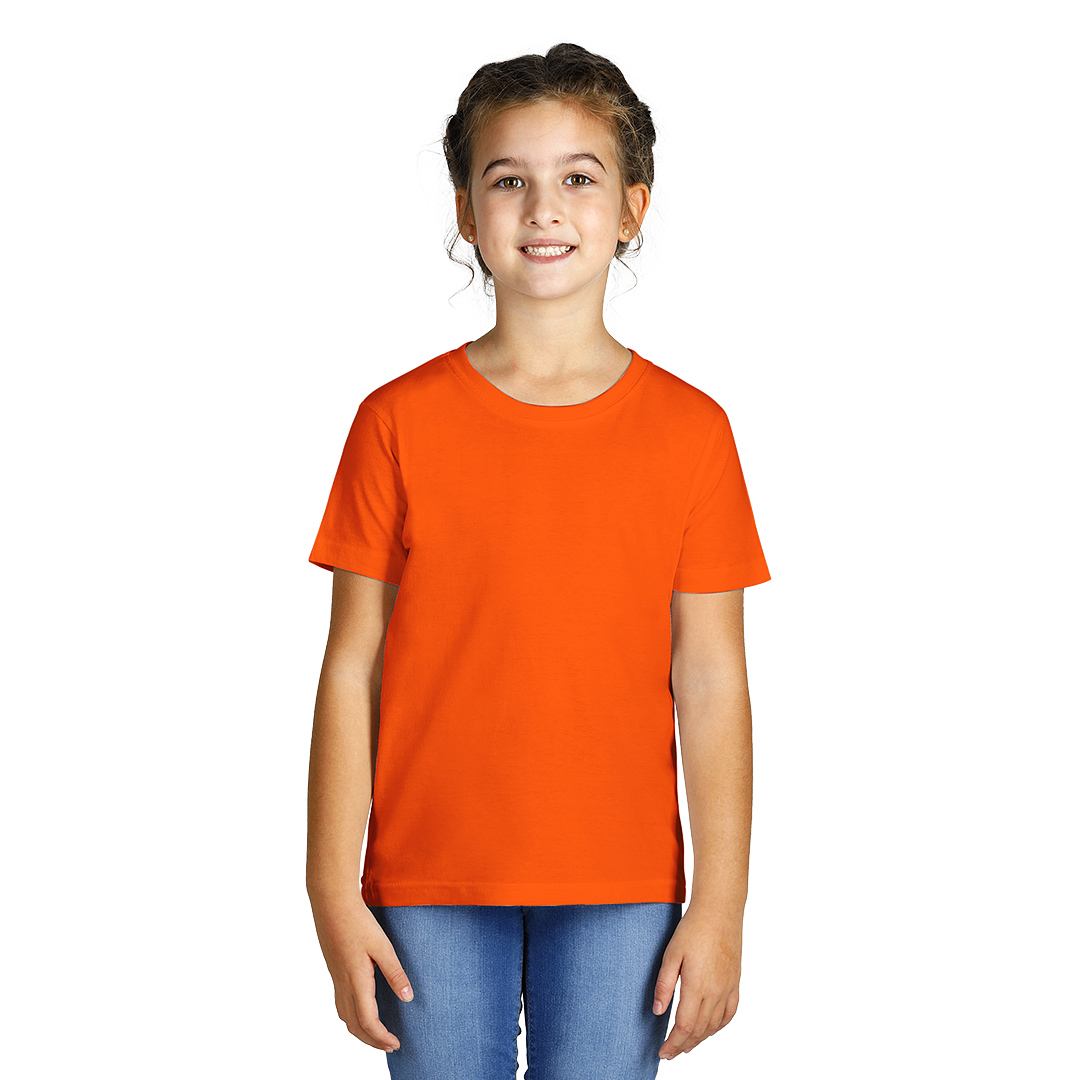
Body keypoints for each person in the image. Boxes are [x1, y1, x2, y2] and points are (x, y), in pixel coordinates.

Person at [306, 42, 771, 1079]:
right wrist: (331, 889)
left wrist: (723, 906)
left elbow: (711, 675)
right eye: (509, 180)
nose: (544, 209)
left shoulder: (692, 433)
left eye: (579, 178)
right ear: (467, 212)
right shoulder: (395, 423)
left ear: (633, 208)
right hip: (427, 880)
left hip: (623, 887)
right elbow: (351, 669)